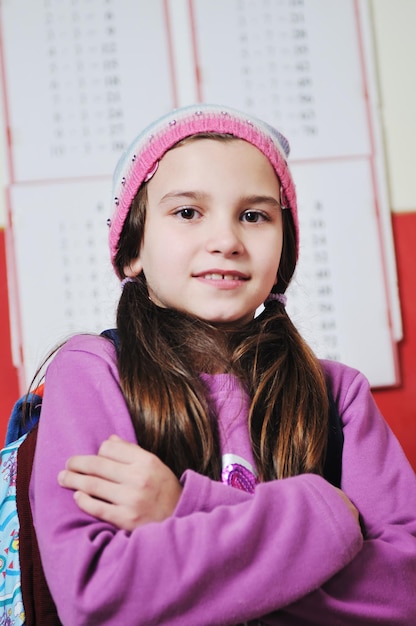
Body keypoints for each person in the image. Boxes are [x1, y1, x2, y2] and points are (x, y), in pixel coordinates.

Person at [30, 103, 416, 625]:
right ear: (132, 250)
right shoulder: (94, 371)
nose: (227, 241)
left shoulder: (338, 393)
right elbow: (98, 595)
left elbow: (403, 592)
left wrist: (182, 511)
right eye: (188, 212)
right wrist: (325, 520)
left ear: (285, 251)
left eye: (254, 215)